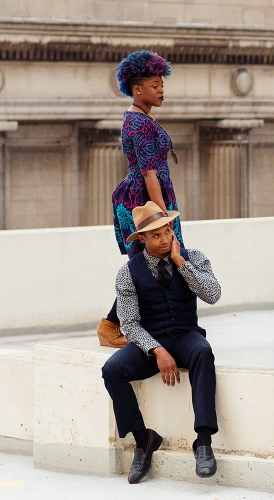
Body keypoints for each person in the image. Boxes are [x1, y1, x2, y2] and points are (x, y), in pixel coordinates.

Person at [101, 201, 221, 484]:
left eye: (167, 230)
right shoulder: (128, 272)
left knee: (203, 352)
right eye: (156, 235)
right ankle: (143, 440)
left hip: (185, 335)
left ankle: (203, 442)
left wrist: (181, 263)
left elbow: (213, 294)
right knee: (112, 370)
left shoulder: (193, 257)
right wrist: (156, 349)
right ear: (142, 238)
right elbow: (129, 323)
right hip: (150, 341)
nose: (165, 239)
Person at [97, 50, 184, 348]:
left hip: (147, 195)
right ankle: (110, 325)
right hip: (144, 200)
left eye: (162, 85)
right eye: (154, 85)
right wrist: (161, 217)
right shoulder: (140, 123)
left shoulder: (141, 117)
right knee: (144, 266)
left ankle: (136, 325)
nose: (161, 90)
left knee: (151, 264)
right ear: (137, 89)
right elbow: (149, 174)